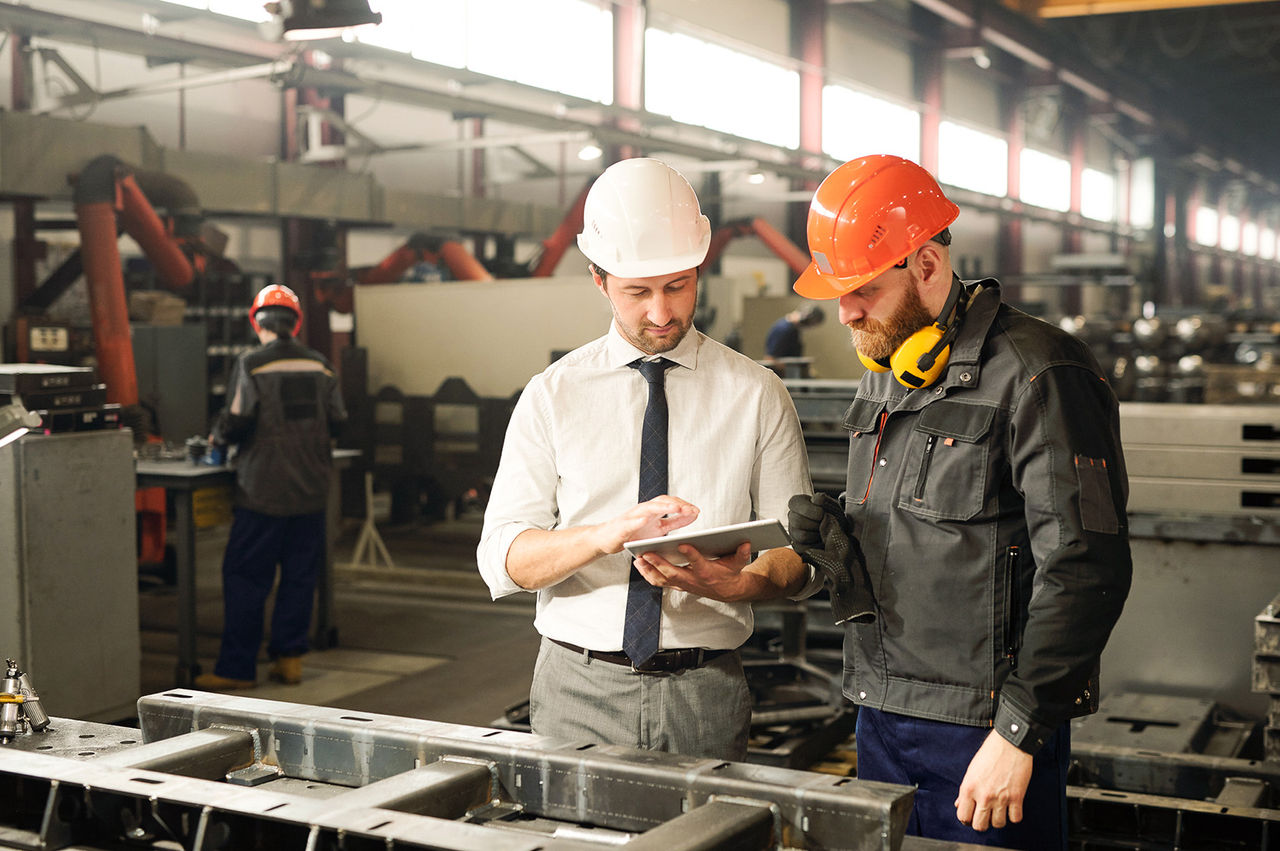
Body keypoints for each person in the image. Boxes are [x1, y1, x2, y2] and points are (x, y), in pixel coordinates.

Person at [785, 155, 1132, 849]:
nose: (845, 310)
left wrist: (1019, 732)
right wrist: (842, 553)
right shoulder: (887, 374)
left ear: (924, 265)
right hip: (879, 713)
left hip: (982, 731)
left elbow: (1086, 565)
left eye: (861, 289)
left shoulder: (1040, 372)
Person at [477, 157, 820, 761]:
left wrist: (739, 581)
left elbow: (797, 557)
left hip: (706, 689)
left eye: (678, 286)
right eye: (638, 292)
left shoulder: (757, 393)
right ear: (598, 279)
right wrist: (607, 535)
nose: (661, 313)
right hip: (575, 687)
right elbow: (505, 560)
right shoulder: (553, 395)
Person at [194, 284, 347, 691]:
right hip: (312, 490)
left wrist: (215, 440)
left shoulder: (252, 364)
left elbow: (238, 420)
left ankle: (237, 667)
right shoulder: (321, 366)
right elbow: (339, 420)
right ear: (295, 322)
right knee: (299, 575)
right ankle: (289, 660)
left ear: (255, 322)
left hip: (262, 490)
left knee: (246, 577)